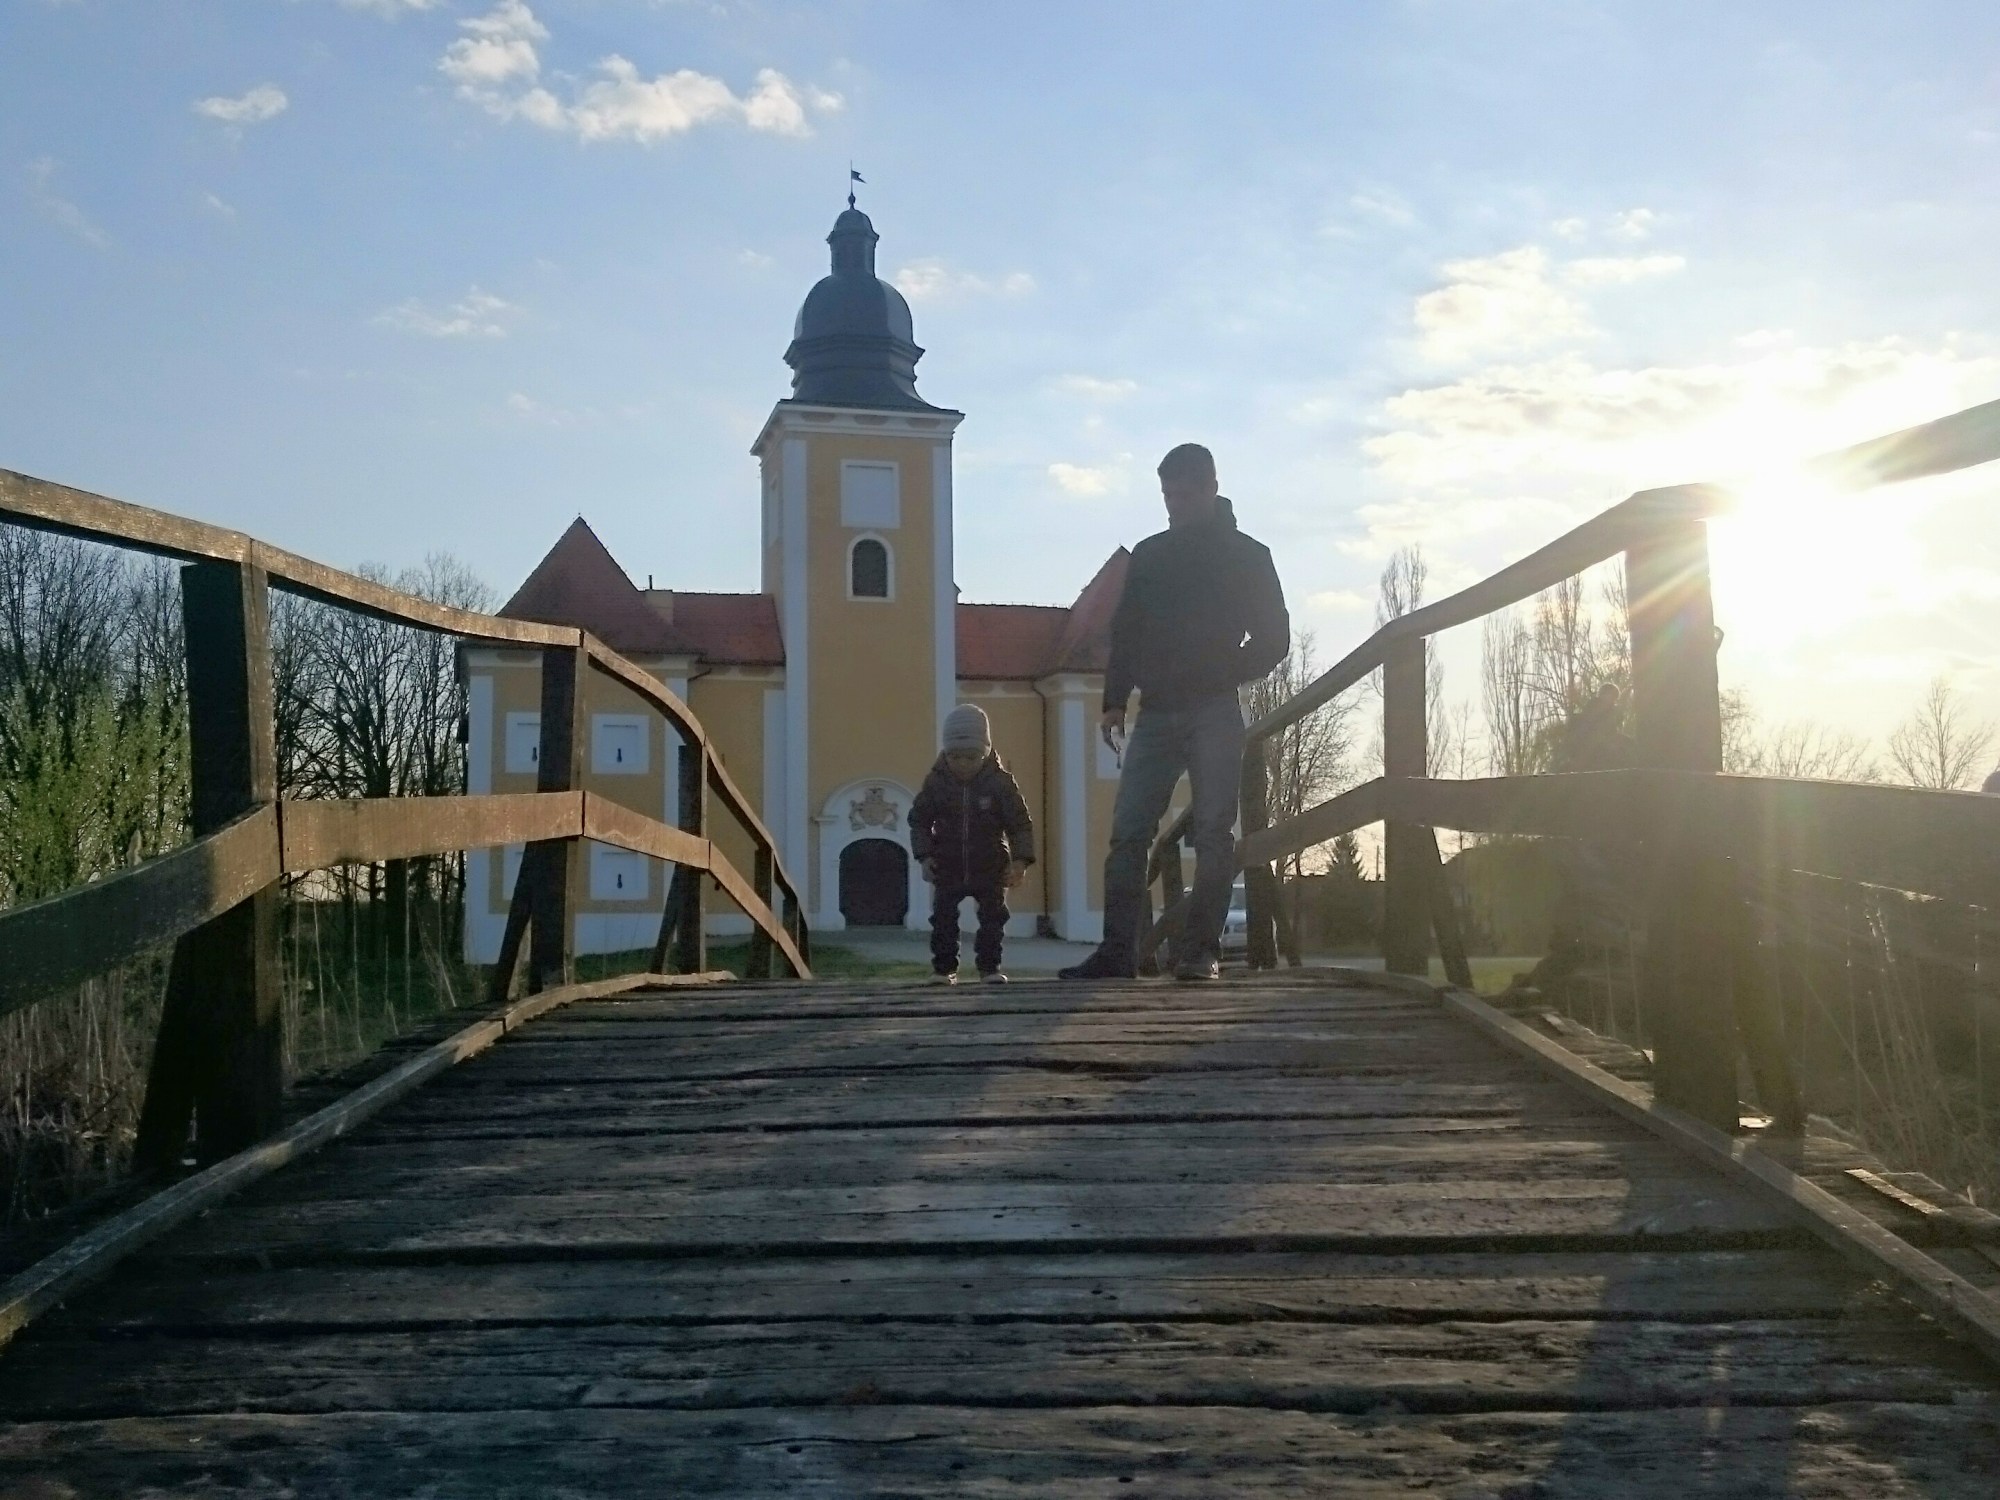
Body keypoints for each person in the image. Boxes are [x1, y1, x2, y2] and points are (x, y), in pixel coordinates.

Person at [1060, 443, 1289, 983]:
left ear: (1212, 488)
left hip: (1215, 707)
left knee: (1213, 832)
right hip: (1157, 710)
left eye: (1184, 495)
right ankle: (1118, 954)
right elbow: (1126, 632)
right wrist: (1114, 700)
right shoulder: (1151, 554)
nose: (1174, 505)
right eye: (1167, 495)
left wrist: (1227, 671)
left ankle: (1200, 952)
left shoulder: (1247, 556)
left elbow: (1275, 637)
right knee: (1128, 833)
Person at [910, 703, 1036, 985]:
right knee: (943, 919)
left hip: (991, 864)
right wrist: (925, 856)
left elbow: (1019, 824)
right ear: (946, 753)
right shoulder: (937, 782)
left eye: (971, 757)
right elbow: (919, 820)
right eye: (955, 757)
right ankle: (943, 969)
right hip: (947, 862)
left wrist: (1020, 861)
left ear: (986, 752)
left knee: (993, 919)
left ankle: (989, 968)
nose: (963, 764)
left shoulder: (1001, 783)